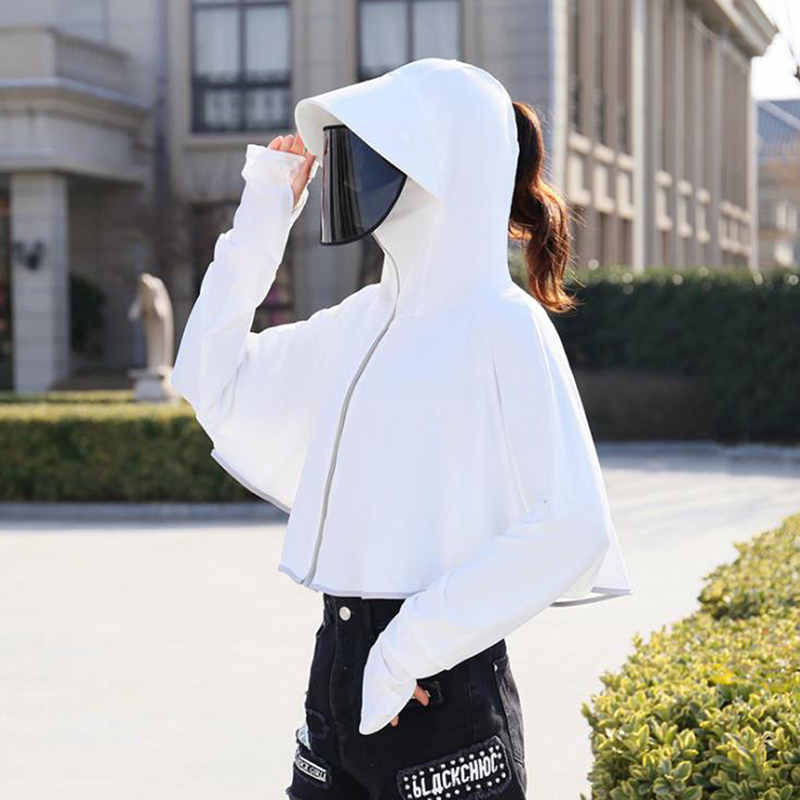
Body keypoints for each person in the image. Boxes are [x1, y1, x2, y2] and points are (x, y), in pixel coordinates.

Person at [171, 57, 632, 800]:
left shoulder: (503, 323)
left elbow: (574, 524)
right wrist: (264, 214)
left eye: (378, 145)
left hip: (438, 692)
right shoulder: (361, 322)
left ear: (444, 162)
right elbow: (206, 376)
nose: (354, 166)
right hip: (339, 670)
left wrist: (405, 651)